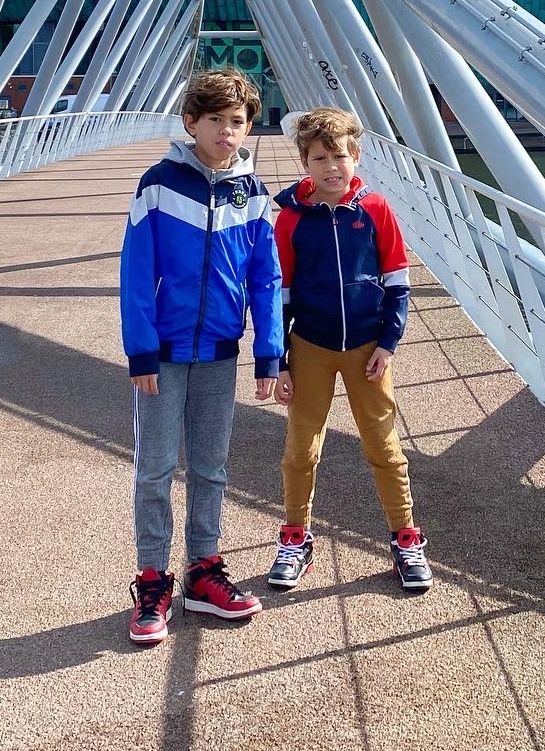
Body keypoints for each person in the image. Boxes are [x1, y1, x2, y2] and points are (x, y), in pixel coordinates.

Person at [120, 68, 283, 646]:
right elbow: (136, 273)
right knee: (156, 471)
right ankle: (152, 581)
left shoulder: (254, 194)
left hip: (219, 352)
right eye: (215, 119)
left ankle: (203, 573)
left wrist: (269, 353)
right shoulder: (159, 184)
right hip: (160, 355)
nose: (226, 131)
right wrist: (139, 349)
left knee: (212, 468)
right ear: (191, 122)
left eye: (237, 122)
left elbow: (266, 279)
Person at [267, 107, 432, 592]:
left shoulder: (376, 210)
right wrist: (279, 362)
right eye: (319, 158)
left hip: (367, 349)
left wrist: (389, 341)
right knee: (301, 448)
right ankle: (296, 537)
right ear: (305, 162)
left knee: (384, 447)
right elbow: (281, 293)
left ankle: (405, 539)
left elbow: (398, 280)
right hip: (310, 345)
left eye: (339, 155)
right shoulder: (291, 220)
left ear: (356, 156)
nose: (331, 167)